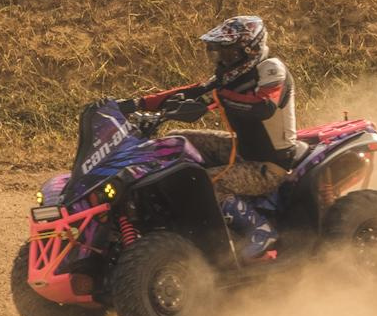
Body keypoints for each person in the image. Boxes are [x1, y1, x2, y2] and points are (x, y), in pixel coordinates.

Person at [123, 16, 297, 261]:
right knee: (176, 139)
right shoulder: (229, 77)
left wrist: (219, 97)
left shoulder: (270, 69)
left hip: (270, 166)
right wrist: (136, 104)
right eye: (218, 52)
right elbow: (194, 91)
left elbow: (263, 107)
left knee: (206, 184)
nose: (221, 59)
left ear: (250, 49)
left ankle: (261, 230)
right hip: (241, 149)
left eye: (228, 52)